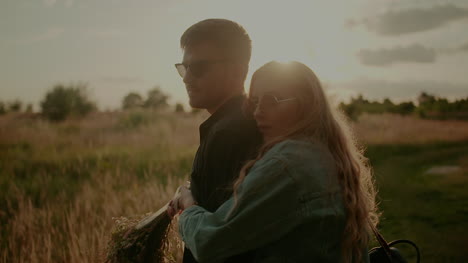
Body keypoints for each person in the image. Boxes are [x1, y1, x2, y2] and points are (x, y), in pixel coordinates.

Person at [170, 61, 380, 263]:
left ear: (307, 104)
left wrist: (188, 206)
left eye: (273, 100)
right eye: (255, 102)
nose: (258, 112)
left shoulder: (288, 164)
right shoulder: (325, 152)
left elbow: (209, 243)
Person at [169, 19, 262, 263]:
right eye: (184, 68)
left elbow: (223, 244)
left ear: (238, 70)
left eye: (198, 68)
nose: (186, 79)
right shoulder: (241, 122)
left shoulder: (229, 133)